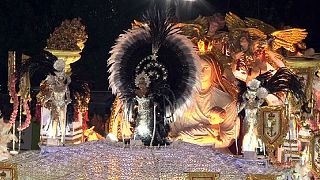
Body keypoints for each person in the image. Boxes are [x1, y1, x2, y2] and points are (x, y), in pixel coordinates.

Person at [170, 54, 240, 148]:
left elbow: (229, 135)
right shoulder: (180, 95)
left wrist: (211, 140)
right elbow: (170, 125)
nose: (201, 71)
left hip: (209, 150)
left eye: (206, 68)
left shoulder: (225, 100)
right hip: (179, 147)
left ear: (214, 70)